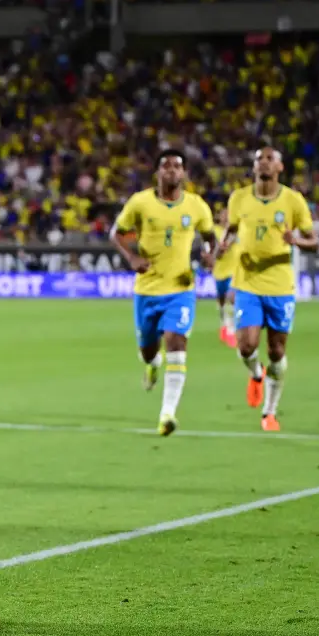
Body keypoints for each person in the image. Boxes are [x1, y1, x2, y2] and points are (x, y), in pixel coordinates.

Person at [111, 150, 216, 437]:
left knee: (176, 341)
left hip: (180, 290)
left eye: (177, 166)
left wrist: (209, 255)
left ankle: (167, 414)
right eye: (165, 165)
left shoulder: (196, 206)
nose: (171, 170)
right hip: (147, 289)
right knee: (148, 349)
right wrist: (131, 259)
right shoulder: (140, 203)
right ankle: (152, 364)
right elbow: (116, 233)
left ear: (184, 174)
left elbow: (210, 238)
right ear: (157, 172)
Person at [220, 147, 318, 432]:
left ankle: (269, 412)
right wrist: (224, 244)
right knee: (246, 345)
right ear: (253, 167)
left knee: (276, 350)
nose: (263, 163)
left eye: (269, 159)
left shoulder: (293, 200)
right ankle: (255, 373)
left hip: (280, 285)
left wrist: (295, 241)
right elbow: (232, 228)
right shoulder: (239, 198)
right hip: (248, 283)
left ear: (279, 167)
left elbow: (315, 242)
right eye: (258, 159)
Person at [212, 205, 239, 348]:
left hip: (234, 271)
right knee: (222, 301)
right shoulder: (215, 231)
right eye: (224, 214)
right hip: (219, 271)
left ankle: (231, 329)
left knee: (232, 298)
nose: (226, 217)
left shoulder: (239, 231)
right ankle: (223, 325)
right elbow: (217, 251)